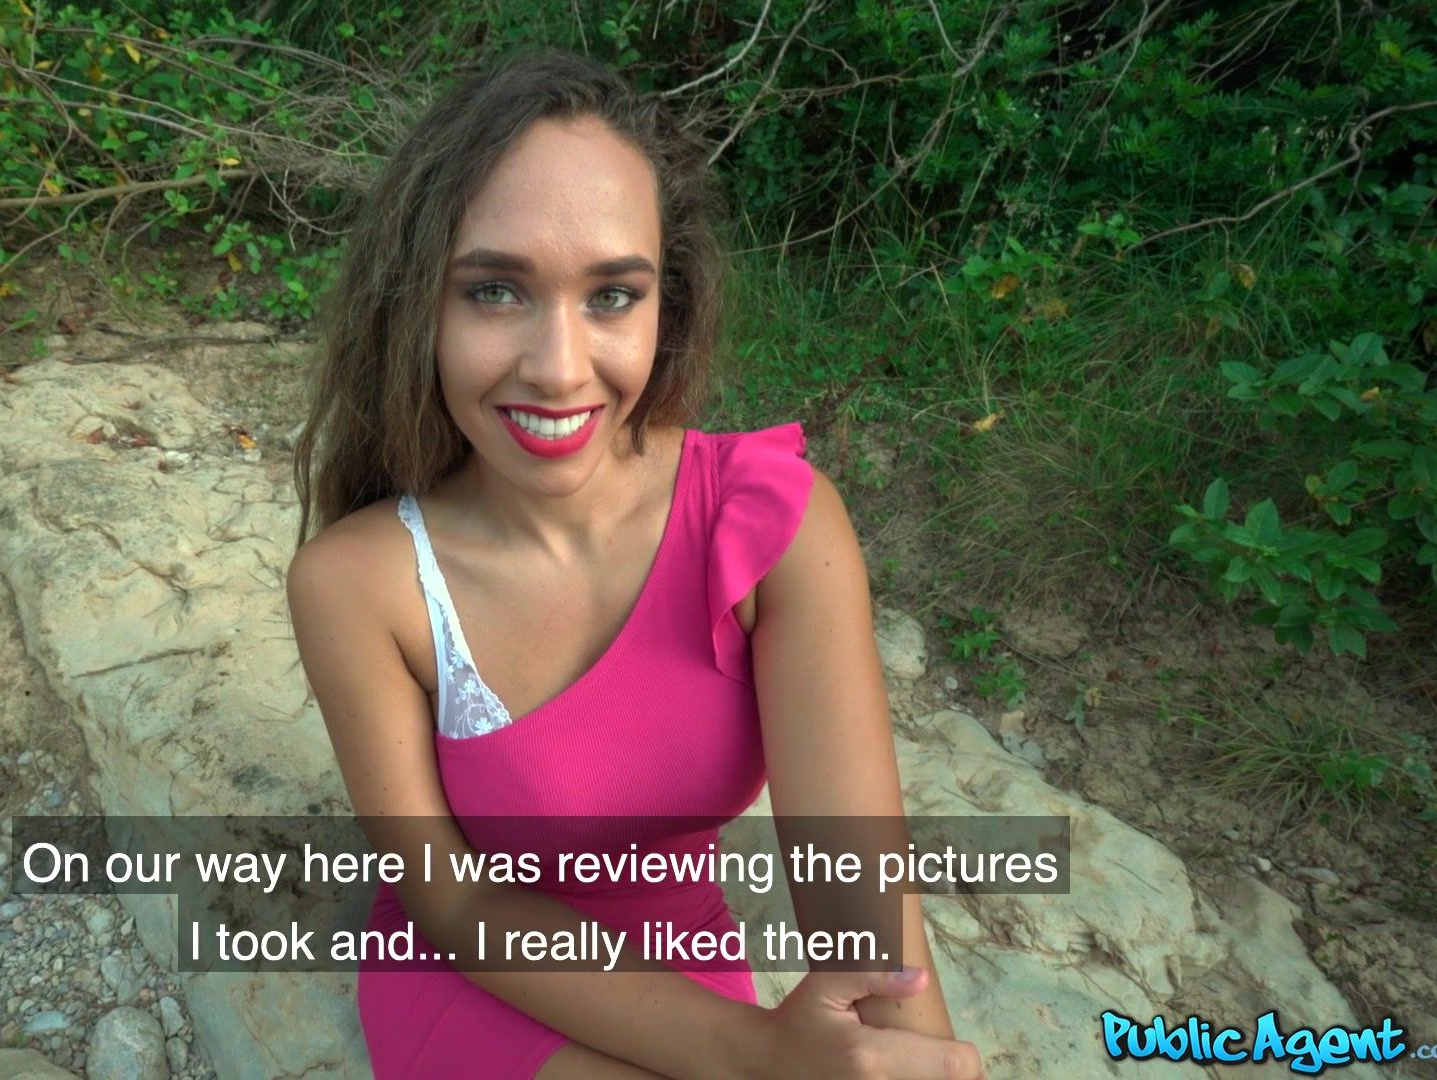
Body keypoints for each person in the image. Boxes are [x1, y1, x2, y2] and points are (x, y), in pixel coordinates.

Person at [286, 50, 987, 1080]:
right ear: (417, 306)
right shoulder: (361, 583)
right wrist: (758, 1055)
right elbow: (450, 896)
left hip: (680, 963)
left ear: (670, 306)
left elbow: (859, 889)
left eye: (612, 296)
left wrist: (911, 1056)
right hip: (470, 969)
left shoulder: (773, 527)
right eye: (494, 291)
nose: (558, 368)